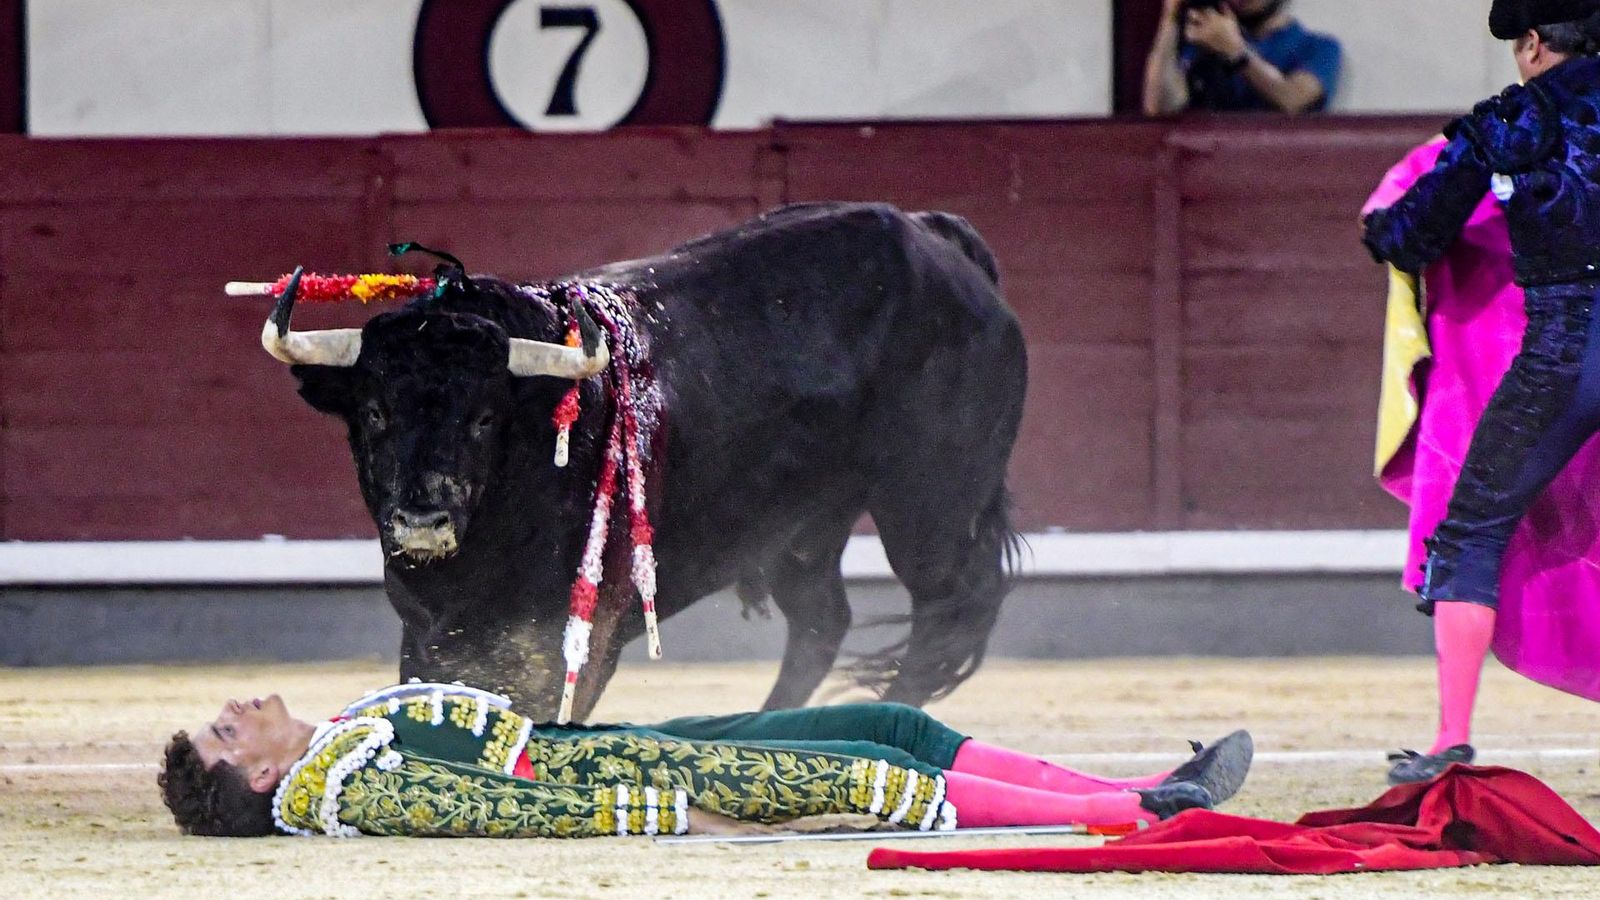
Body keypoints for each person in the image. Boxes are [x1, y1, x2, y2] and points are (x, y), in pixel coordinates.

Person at [1362, 1, 1600, 784]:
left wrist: (1387, 224)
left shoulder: (1510, 122)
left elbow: (1410, 234)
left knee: (1471, 533)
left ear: (1532, 44)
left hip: (1566, 352)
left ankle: (1449, 741)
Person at [157, 681, 1254, 838]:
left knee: (887, 725)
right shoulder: (346, 784)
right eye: (225, 732)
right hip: (629, 780)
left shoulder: (344, 737)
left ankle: (1138, 790)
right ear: (260, 779)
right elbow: (507, 810)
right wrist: (674, 815)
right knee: (864, 774)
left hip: (611, 746)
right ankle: (1136, 812)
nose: (235, 709)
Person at [1142, 0, 1342, 115]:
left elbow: (1293, 99)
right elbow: (1159, 109)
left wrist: (1236, 52)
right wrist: (1171, 18)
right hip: (1211, 167)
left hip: (1281, 168)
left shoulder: (1318, 47)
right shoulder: (1203, 41)